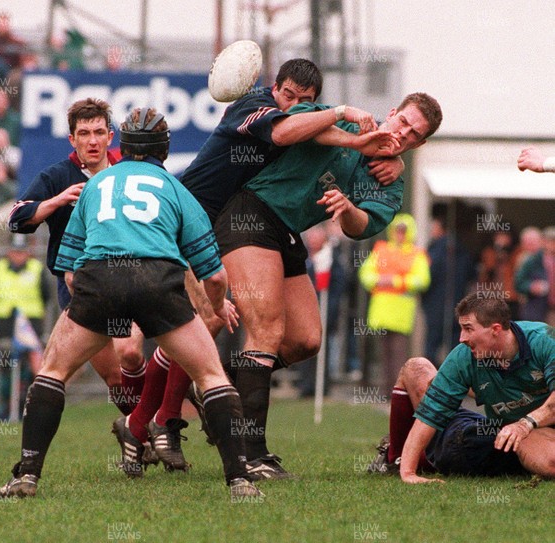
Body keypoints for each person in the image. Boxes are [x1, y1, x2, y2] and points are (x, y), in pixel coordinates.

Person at [122, 58, 407, 472]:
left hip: (229, 222)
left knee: (234, 326)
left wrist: (390, 156)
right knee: (190, 326)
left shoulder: (313, 121)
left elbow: (325, 135)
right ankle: (147, 420)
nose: (292, 104)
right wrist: (348, 120)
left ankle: (168, 413)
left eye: (303, 100)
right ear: (274, 87)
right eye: (287, 95)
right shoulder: (254, 104)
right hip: (192, 217)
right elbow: (285, 129)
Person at [0, 106, 262, 500]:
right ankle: (238, 479)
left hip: (98, 281)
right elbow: (215, 275)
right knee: (211, 376)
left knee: (51, 374)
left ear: (119, 142)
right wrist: (216, 305)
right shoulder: (174, 188)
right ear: (164, 149)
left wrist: (86, 302)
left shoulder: (97, 186)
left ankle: (27, 476)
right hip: (158, 282)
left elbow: (69, 268)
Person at [213, 92, 442, 478]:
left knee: (305, 340)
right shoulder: (350, 119)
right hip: (247, 214)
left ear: (419, 143)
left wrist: (348, 208)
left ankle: (217, 385)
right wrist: (342, 117)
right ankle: (250, 455)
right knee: (264, 330)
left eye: (413, 134)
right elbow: (285, 129)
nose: (403, 133)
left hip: (284, 232)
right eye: (403, 122)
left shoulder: (388, 177)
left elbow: (362, 227)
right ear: (392, 113)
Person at [8, 98, 146, 415]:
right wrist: (56, 201)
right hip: (75, 283)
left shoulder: (128, 174)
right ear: (72, 139)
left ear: (111, 136)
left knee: (130, 354)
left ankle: (151, 427)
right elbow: (16, 217)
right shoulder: (58, 177)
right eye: (84, 133)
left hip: (126, 277)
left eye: (99, 131)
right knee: (113, 376)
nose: (92, 140)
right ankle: (141, 433)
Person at [368, 294, 555, 483]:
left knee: (547, 460)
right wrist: (408, 473)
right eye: (461, 329)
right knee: (416, 369)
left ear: (495, 329)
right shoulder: (464, 356)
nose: (461, 338)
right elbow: (429, 416)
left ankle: (417, 458)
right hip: (487, 430)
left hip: (530, 431)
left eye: (468, 329)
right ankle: (397, 459)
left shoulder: (544, 341)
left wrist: (525, 424)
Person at [359, 213, 431, 394]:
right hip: (380, 313)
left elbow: (422, 280)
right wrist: (379, 280)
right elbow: (365, 274)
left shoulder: (416, 254)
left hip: (400, 315)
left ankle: (397, 391)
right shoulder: (381, 249)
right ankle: (384, 390)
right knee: (381, 355)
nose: (400, 234)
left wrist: (395, 281)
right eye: (397, 230)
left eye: (403, 231)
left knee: (398, 355)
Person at [0, 234, 50, 420]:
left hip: (31, 325)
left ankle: (30, 408)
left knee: (32, 367)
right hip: (5, 324)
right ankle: (6, 408)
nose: (18, 256)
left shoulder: (37, 269)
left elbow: (45, 296)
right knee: (6, 366)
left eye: (22, 252)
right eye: (15, 251)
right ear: (9, 251)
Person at [420, 213, 475, 362]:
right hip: (457, 304)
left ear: (441, 229)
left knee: (431, 346)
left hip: (435, 305)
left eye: (434, 227)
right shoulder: (462, 249)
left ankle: (432, 381)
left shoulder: (435, 249)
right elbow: (471, 273)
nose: (432, 231)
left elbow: (427, 276)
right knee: (454, 345)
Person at [514, 226, 555, 326]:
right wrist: (532, 286)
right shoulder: (532, 260)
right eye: (550, 241)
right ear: (544, 242)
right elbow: (519, 283)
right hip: (538, 308)